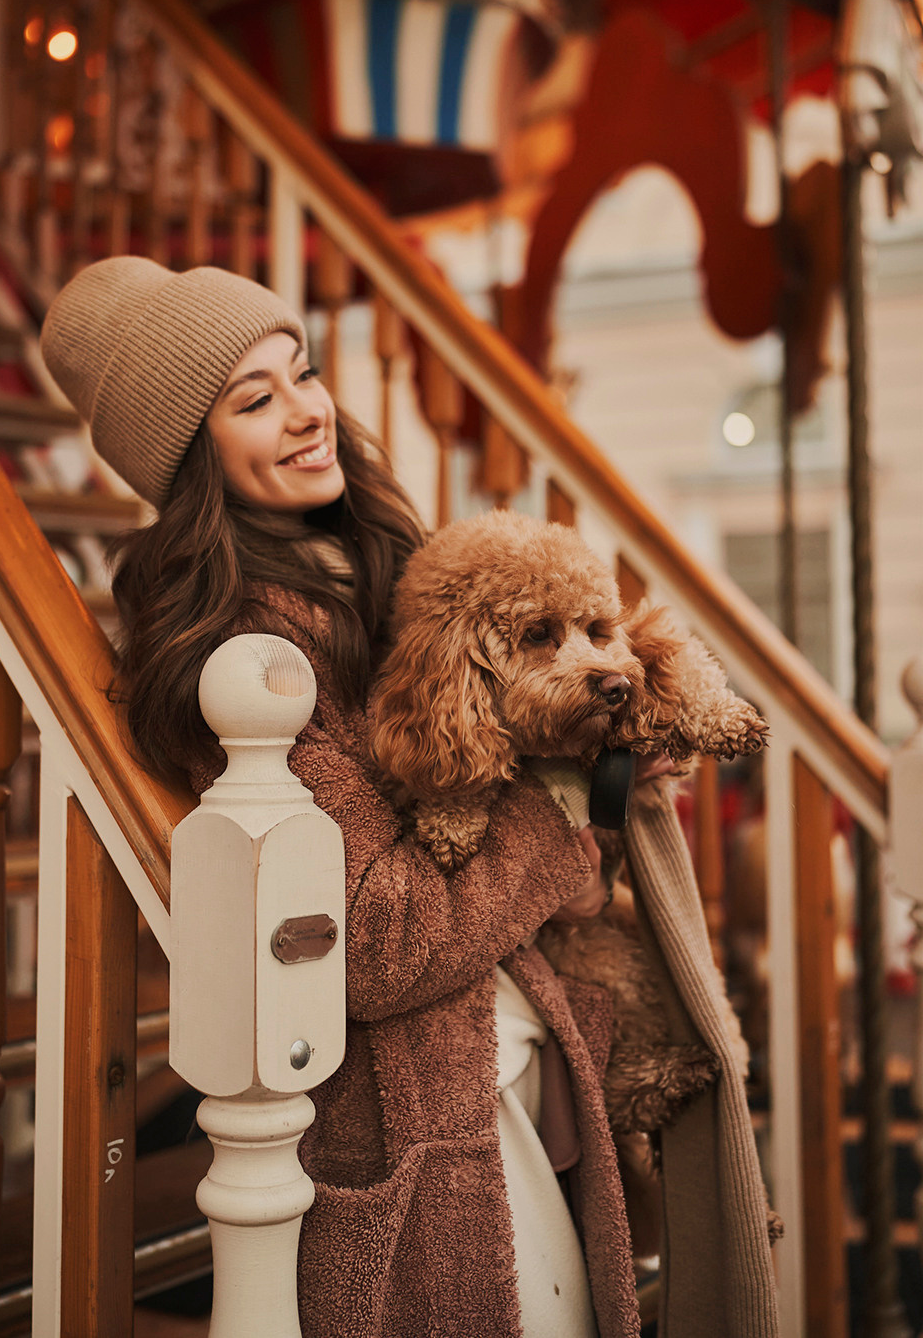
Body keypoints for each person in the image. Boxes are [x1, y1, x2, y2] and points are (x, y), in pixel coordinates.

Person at [40, 257, 780, 1338]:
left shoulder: (378, 567)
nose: (305, 414)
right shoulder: (243, 650)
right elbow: (380, 943)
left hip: (521, 1060)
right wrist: (574, 815)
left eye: (302, 373)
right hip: (428, 1118)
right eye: (255, 400)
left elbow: (517, 851)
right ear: (192, 456)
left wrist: (604, 764)